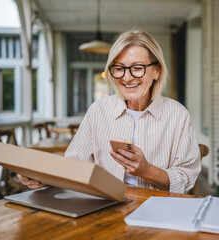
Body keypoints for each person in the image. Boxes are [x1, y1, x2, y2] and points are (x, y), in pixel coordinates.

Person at [18, 29, 201, 194]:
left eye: (137, 68)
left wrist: (147, 171)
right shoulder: (99, 110)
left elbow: (187, 179)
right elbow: (74, 166)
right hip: (105, 209)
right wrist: (45, 179)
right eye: (119, 68)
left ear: (156, 71)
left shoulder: (177, 114)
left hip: (158, 211)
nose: (127, 77)